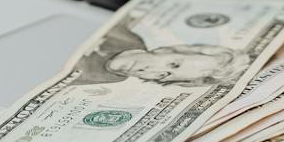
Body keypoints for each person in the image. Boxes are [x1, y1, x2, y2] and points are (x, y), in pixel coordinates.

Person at [105, 44, 250, 86]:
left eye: (162, 75)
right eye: (173, 64)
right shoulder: (129, 35)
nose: (138, 69)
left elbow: (195, 49)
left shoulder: (163, 51)